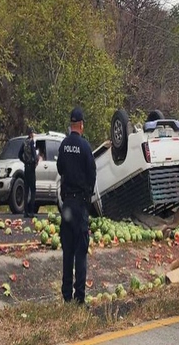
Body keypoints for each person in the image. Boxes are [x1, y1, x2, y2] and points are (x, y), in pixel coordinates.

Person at [56, 107, 96, 305]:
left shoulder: (64, 145)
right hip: (80, 205)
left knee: (67, 251)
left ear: (70, 125)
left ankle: (66, 296)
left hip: (67, 206)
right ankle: (80, 297)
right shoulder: (85, 147)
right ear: (81, 125)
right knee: (81, 251)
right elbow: (92, 175)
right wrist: (87, 197)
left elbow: (60, 168)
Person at [18, 126, 38, 218]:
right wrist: (35, 162)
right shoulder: (31, 142)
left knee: (26, 191)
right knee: (33, 190)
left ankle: (25, 212)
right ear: (31, 134)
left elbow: (19, 154)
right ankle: (32, 212)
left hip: (26, 167)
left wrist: (24, 161)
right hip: (31, 168)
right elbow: (34, 155)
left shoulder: (24, 142)